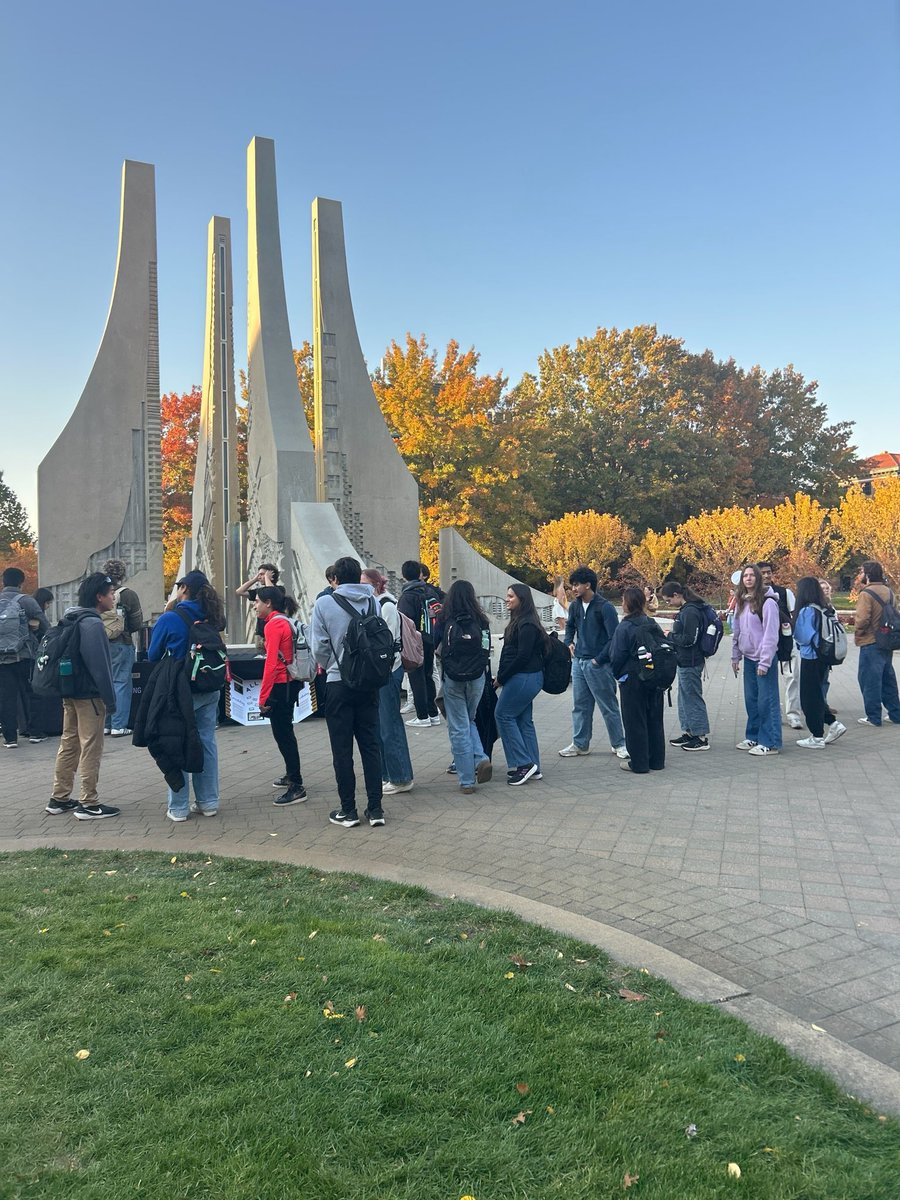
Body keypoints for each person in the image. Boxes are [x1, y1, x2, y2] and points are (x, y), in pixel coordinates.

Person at [311, 556, 385, 828]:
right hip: (369, 682)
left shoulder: (324, 603)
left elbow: (318, 646)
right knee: (371, 746)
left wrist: (334, 664)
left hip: (338, 682)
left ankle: (348, 810)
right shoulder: (373, 602)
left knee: (342, 749)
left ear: (336, 578)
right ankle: (376, 809)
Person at [147, 570, 224, 821]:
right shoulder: (212, 615)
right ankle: (208, 802)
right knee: (206, 740)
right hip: (209, 684)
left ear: (184, 589)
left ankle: (179, 807)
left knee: (177, 740)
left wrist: (168, 610)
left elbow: (153, 654)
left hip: (179, 689)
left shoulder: (171, 618)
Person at [45, 572, 119, 818]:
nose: (114, 597)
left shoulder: (71, 617)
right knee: (91, 747)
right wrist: (110, 700)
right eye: (111, 593)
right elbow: (101, 667)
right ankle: (89, 802)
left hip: (70, 691)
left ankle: (59, 797)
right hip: (90, 696)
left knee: (69, 743)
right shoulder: (93, 624)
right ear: (99, 597)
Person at [558, 566, 628, 760]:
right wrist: (568, 642)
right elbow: (570, 626)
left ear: (588, 585)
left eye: (577, 585)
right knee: (580, 706)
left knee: (608, 706)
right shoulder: (575, 606)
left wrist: (599, 659)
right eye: (572, 585)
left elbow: (614, 638)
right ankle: (580, 744)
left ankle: (619, 744)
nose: (574, 589)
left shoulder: (605, 607)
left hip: (598, 664)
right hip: (579, 663)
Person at [253, 586, 308, 806]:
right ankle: (291, 775)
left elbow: (271, 664)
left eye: (257, 601)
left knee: (283, 734)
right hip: (290, 683)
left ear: (268, 603)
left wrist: (263, 697)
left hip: (280, 685)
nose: (255, 606)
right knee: (285, 732)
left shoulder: (274, 625)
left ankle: (296, 785)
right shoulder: (284, 621)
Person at [362, 567, 414, 797]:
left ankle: (400, 777)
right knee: (381, 725)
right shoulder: (375, 605)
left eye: (364, 584)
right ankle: (388, 774)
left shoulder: (387, 606)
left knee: (390, 725)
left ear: (375, 584)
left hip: (388, 671)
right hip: (381, 672)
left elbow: (387, 642)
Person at [437, 580, 493, 794]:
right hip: (477, 677)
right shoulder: (482, 620)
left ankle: (467, 780)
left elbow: (434, 643)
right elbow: (486, 648)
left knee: (458, 726)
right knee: (468, 720)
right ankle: (480, 757)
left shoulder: (444, 619)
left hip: (453, 677)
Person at [609, 586, 667, 774]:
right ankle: (657, 760)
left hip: (632, 679)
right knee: (655, 719)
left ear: (627, 603)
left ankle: (639, 763)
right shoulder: (651, 623)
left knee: (635, 721)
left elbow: (616, 655)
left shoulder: (624, 627)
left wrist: (617, 675)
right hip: (654, 678)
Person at [495, 584, 546, 786]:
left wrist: (501, 678)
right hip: (526, 677)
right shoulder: (523, 621)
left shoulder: (526, 624)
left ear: (521, 599)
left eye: (511, 596)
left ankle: (524, 764)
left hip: (524, 677)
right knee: (524, 721)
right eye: (507, 595)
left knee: (503, 715)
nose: (507, 599)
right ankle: (533, 766)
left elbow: (522, 656)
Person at [731, 564, 782, 756]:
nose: (749, 578)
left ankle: (770, 742)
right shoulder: (742, 601)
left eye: (752, 575)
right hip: (749, 658)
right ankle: (753, 736)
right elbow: (737, 630)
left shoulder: (768, 603)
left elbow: (771, 634)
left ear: (758, 578)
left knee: (766, 701)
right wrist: (735, 655)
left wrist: (765, 661)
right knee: (751, 701)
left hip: (763, 660)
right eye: (745, 575)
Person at [792, 576, 845, 747]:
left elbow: (802, 637)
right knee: (817, 695)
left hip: (810, 657)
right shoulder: (824, 608)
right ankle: (833, 724)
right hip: (823, 657)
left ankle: (817, 736)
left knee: (809, 699)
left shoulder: (807, 611)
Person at [0, 567, 49, 748]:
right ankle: (35, 733)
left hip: (2, 659)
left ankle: (10, 738)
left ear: (3, 581)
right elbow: (45, 625)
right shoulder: (26, 600)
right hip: (25, 655)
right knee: (33, 693)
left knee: (6, 697)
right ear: (21, 582)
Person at [659, 580, 711, 751]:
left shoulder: (690, 611)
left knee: (692, 697)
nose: (668, 603)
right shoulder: (687, 610)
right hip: (684, 660)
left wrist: (670, 636)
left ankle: (700, 736)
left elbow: (689, 639)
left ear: (676, 595)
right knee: (684, 698)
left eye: (668, 600)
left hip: (691, 661)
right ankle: (689, 731)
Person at [100, 558, 143, 738]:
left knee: (106, 683)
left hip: (101, 643)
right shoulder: (128, 594)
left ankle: (106, 725)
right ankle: (119, 725)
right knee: (121, 683)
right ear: (123, 574)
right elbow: (136, 623)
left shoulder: (99, 593)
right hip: (121, 642)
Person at [854, 561, 900, 727]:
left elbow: (862, 619)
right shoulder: (889, 592)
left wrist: (858, 633)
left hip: (871, 641)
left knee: (869, 680)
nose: (859, 575)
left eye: (861, 572)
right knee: (888, 679)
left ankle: (873, 717)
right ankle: (895, 714)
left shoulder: (866, 593)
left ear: (868, 575)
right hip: (887, 640)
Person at [758, 561, 802, 730]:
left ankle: (793, 714)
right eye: (763, 572)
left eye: (768, 572)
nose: (766, 575)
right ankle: (772, 714)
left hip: (785, 641)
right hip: (763, 644)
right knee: (767, 681)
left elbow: (794, 615)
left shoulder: (784, 593)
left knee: (792, 678)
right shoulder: (752, 596)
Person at [398, 560, 440, 727]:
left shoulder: (407, 596)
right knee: (428, 676)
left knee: (416, 678)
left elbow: (405, 622)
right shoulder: (429, 592)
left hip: (415, 643)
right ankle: (433, 713)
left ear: (404, 575)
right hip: (430, 639)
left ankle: (422, 716)